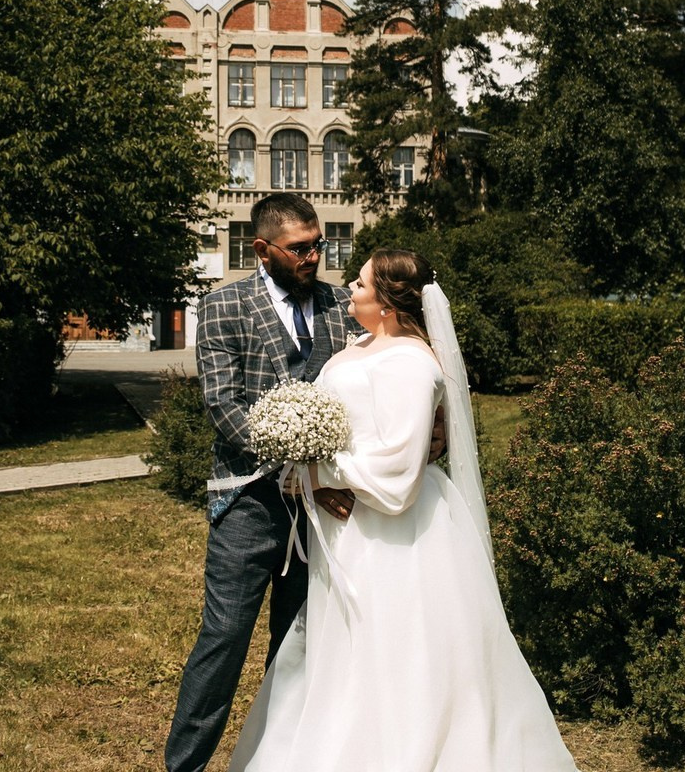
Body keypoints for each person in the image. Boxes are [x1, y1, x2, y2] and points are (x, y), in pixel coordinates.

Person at [228, 248, 580, 772]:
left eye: (361, 283)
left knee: (397, 647)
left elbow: (397, 473)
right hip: (347, 531)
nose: (349, 287)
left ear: (389, 304)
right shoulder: (361, 345)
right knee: (346, 648)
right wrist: (299, 465)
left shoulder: (412, 364)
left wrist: (320, 474)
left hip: (394, 535)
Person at [165, 193, 358, 772]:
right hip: (248, 500)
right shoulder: (223, 306)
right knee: (224, 639)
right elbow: (223, 406)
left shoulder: (341, 304)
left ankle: (281, 758)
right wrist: (295, 460)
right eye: (300, 248)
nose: (314, 256)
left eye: (319, 245)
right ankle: (185, 765)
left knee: (299, 641)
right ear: (262, 249)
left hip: (323, 508)